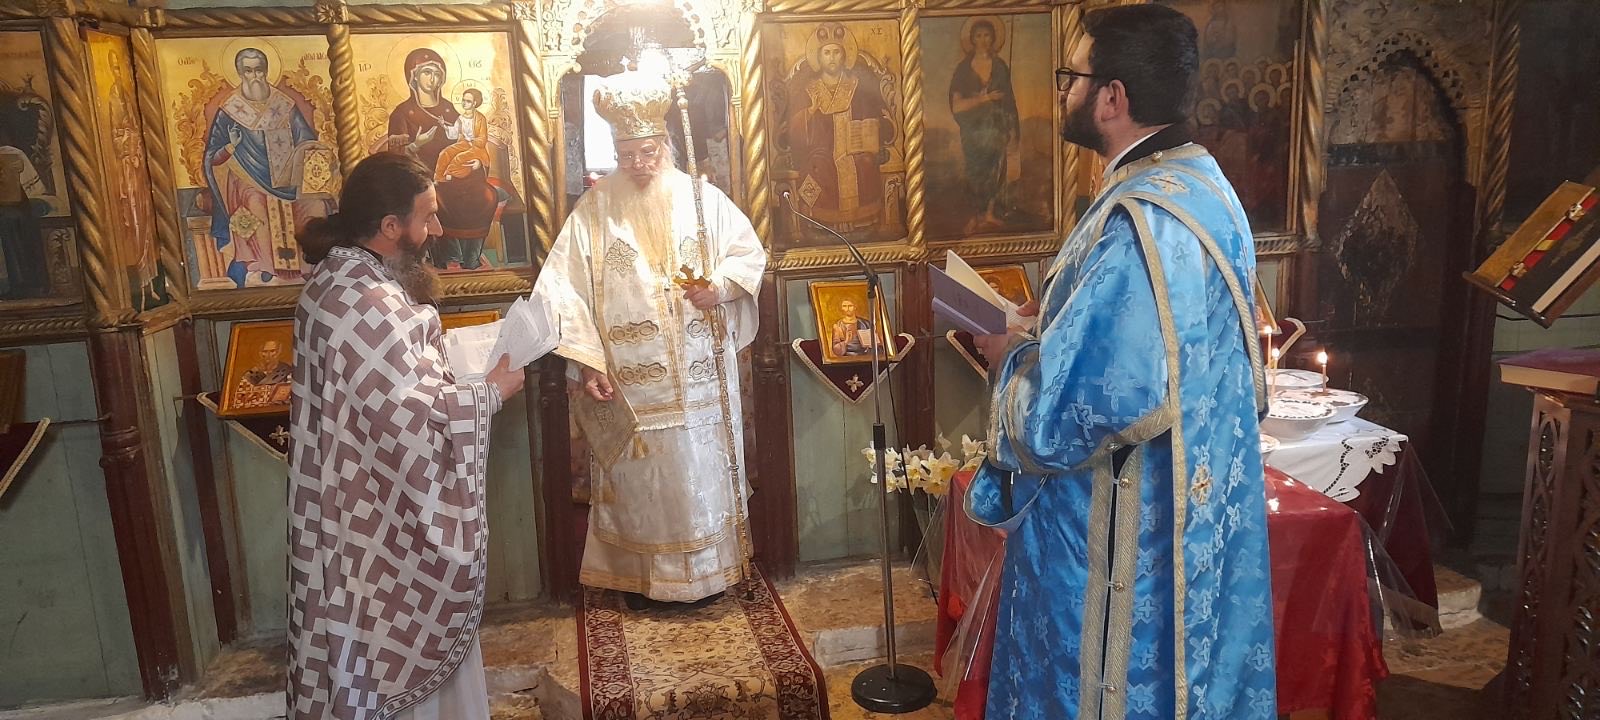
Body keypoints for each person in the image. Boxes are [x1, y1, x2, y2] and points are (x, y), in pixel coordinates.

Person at [968, 6, 1275, 718]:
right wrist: (1058, 322)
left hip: (1125, 530)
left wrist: (1011, 356)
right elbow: (1157, 344)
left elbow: (1072, 414)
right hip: (1190, 507)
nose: (1062, 91)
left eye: (1071, 76)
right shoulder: (1201, 183)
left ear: (1112, 97)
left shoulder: (1142, 219)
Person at [287, 152, 526, 720]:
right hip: (376, 530)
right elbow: (411, 421)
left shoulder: (337, 281)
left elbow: (394, 391)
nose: (437, 229)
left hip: (356, 507)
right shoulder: (366, 301)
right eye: (427, 216)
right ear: (391, 226)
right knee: (379, 650)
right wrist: (489, 393)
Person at [534, 70, 766, 610]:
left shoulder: (703, 199)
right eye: (627, 154)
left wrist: (720, 289)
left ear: (665, 144)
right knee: (642, 483)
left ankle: (707, 577)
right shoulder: (594, 210)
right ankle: (640, 582)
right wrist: (589, 362)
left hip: (698, 376)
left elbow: (748, 255)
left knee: (696, 473)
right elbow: (562, 289)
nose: (638, 163)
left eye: (647, 152)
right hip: (629, 381)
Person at [202, 48, 326, 288]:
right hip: (248, 179)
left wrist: (309, 160)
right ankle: (262, 266)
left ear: (267, 71)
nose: (255, 76)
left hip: (290, 179)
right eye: (248, 71)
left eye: (259, 70)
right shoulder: (230, 110)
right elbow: (211, 156)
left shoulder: (285, 105)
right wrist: (231, 146)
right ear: (240, 74)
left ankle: (309, 265)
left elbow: (306, 140)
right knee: (254, 205)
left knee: (315, 206)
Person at [785, 22, 896, 235]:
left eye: (836, 52)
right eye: (827, 53)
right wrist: (809, 112)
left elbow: (872, 117)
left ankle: (860, 219)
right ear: (819, 57)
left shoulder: (856, 87)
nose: (832, 57)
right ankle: (824, 220)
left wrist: (869, 134)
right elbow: (794, 131)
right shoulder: (809, 90)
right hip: (820, 152)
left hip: (854, 149)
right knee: (819, 167)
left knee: (865, 163)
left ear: (844, 56)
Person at [950, 18, 1020, 233]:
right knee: (975, 172)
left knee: (995, 171)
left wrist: (1012, 129)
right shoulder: (963, 70)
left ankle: (989, 213)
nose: (983, 40)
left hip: (997, 129)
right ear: (971, 39)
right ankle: (975, 215)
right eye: (978, 35)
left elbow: (1009, 101)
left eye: (987, 35)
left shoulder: (1000, 67)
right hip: (973, 132)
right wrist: (985, 98)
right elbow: (957, 106)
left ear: (993, 38)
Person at [436, 88, 491, 183]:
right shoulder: (461, 118)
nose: (464, 103)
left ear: (474, 103)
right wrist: (443, 125)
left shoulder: (480, 118)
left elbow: (483, 139)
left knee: (459, 158)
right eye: (463, 100)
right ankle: (438, 177)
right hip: (464, 144)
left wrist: (472, 139)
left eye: (468, 101)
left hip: (476, 148)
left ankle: (449, 174)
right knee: (445, 153)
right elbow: (454, 133)